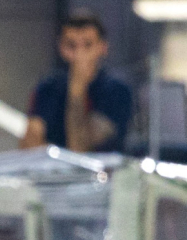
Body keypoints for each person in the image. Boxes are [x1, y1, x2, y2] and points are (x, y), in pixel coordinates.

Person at [20, 10, 131, 154]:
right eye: (71, 46)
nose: (79, 55)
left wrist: (77, 89)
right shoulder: (47, 88)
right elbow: (29, 146)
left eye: (87, 45)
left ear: (102, 47)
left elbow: (81, 150)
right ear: (61, 48)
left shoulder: (117, 91)